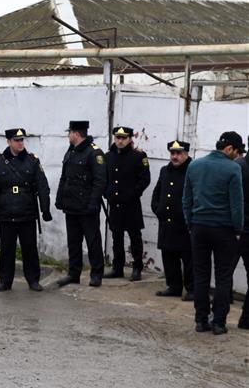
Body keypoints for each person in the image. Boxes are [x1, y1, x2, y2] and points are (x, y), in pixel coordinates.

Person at [183, 131, 244, 335]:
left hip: (199, 227)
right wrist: (237, 229)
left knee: (200, 274)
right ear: (229, 148)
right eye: (237, 152)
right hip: (224, 229)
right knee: (223, 276)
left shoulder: (195, 165)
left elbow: (186, 199)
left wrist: (191, 223)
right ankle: (219, 322)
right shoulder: (233, 168)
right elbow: (237, 205)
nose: (238, 156)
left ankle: (201, 320)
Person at [0, 128, 52, 292]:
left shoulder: (32, 161)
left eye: (22, 140)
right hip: (6, 213)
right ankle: (5, 281)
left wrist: (45, 209)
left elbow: (43, 187)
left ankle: (33, 280)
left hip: (27, 212)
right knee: (7, 250)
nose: (20, 143)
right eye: (17, 140)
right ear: (8, 142)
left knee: (30, 249)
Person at [55, 120, 106, 288]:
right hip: (71, 206)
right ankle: (73, 273)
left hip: (86, 207)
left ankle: (97, 273)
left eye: (69, 133)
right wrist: (60, 198)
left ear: (76, 134)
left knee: (93, 242)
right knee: (74, 242)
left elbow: (100, 181)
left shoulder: (94, 153)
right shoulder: (71, 152)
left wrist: (94, 203)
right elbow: (65, 177)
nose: (68, 136)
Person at [104, 126, 151, 281]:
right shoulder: (109, 156)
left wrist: (132, 194)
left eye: (124, 138)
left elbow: (144, 179)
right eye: (117, 137)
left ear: (130, 139)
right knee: (116, 236)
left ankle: (137, 268)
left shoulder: (138, 156)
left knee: (134, 237)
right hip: (115, 203)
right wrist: (107, 193)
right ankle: (118, 268)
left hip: (131, 204)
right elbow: (104, 177)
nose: (120, 141)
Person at [151, 141, 194, 301]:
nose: (175, 157)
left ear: (186, 154)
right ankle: (174, 286)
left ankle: (192, 289)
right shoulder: (165, 170)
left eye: (179, 153)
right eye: (172, 153)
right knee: (169, 257)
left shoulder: (193, 171)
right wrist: (158, 209)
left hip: (184, 224)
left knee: (189, 259)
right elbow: (157, 193)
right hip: (166, 223)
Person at [235, 145, 249, 330]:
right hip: (240, 229)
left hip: (234, 228)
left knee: (223, 274)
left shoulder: (237, 165)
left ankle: (214, 319)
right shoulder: (238, 166)